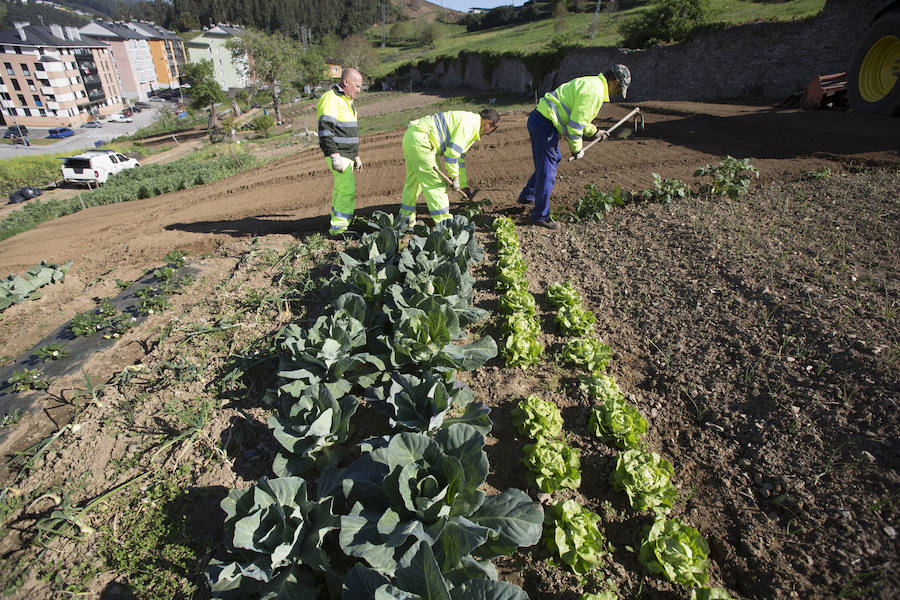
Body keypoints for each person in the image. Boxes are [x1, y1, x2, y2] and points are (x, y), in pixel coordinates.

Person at [518, 64, 631, 229]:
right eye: (619, 88)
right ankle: (540, 216)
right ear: (614, 81)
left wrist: (596, 132)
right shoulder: (595, 92)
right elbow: (575, 126)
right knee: (547, 169)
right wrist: (577, 150)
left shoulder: (593, 84)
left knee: (552, 160)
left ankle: (528, 196)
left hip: (541, 119)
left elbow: (580, 119)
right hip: (544, 122)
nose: (618, 93)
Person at [399, 108, 500, 227]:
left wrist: (462, 185)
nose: (489, 134)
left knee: (414, 183)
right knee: (435, 184)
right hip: (422, 141)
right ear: (489, 123)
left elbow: (459, 159)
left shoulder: (470, 121)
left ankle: (405, 221)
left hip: (412, 136)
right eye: (493, 129)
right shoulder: (469, 126)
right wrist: (454, 177)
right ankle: (445, 225)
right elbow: (451, 155)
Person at [317, 67, 364, 237]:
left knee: (341, 189)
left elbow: (349, 132)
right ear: (346, 82)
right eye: (357, 86)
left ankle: (337, 223)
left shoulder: (347, 102)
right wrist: (334, 155)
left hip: (347, 155)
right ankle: (339, 229)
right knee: (346, 190)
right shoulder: (331, 99)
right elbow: (325, 130)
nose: (359, 90)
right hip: (339, 154)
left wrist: (356, 155)